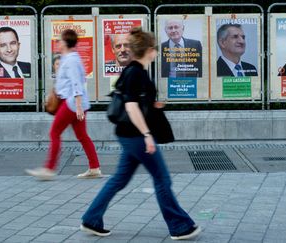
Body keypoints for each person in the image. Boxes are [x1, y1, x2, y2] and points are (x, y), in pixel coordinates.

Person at [80, 28, 201, 240]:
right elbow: (131, 106)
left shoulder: (134, 71)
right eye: (154, 48)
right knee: (162, 178)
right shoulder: (136, 72)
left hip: (128, 135)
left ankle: (91, 219)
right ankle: (180, 226)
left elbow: (136, 101)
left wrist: (153, 105)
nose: (156, 51)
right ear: (148, 50)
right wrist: (146, 134)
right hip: (136, 136)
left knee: (119, 179)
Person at [25, 29, 102, 180]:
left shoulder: (72, 60)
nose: (58, 43)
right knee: (82, 135)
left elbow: (77, 83)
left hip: (72, 103)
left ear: (66, 43)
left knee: (54, 133)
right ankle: (94, 168)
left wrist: (78, 106)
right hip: (74, 103)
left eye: (60, 40)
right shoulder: (69, 58)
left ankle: (49, 169)